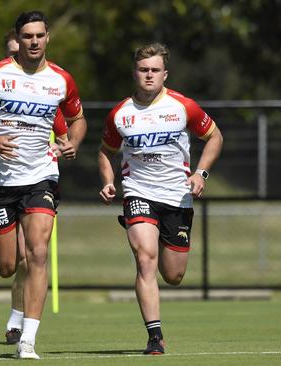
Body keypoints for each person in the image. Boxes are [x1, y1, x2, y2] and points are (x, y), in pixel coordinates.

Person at [0, 11, 87, 359]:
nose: (34, 42)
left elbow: (77, 119)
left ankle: (27, 339)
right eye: (28, 36)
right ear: (18, 39)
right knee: (7, 266)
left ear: (48, 38)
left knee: (38, 253)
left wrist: (73, 141)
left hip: (41, 176)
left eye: (40, 36)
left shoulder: (61, 80)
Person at [98, 43, 223, 355]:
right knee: (145, 259)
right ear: (135, 73)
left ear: (165, 74)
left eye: (155, 70)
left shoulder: (184, 107)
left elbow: (214, 137)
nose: (149, 75)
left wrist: (201, 175)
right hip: (138, 192)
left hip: (177, 196)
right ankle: (155, 337)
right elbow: (105, 151)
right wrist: (108, 180)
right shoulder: (121, 114)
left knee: (174, 274)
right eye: (143, 70)